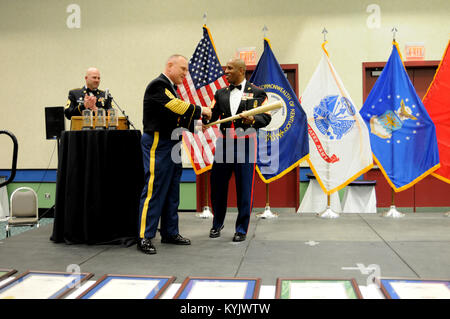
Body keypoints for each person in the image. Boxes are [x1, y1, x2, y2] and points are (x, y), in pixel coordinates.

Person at [138, 54, 212, 254]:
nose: (185, 74)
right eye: (183, 69)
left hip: (172, 143)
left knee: (172, 191)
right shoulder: (158, 85)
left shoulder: (172, 89)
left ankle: (170, 232)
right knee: (154, 189)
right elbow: (175, 107)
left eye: (186, 70)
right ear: (170, 65)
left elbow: (176, 118)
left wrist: (197, 126)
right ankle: (145, 236)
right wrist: (201, 110)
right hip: (157, 142)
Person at [204, 58, 271, 242]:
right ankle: (217, 224)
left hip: (245, 144)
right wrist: (204, 118)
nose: (226, 71)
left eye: (230, 68)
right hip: (224, 145)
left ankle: (241, 229)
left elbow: (266, 118)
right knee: (217, 186)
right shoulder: (219, 94)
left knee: (244, 188)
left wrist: (253, 121)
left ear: (241, 71)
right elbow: (212, 115)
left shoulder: (258, 93)